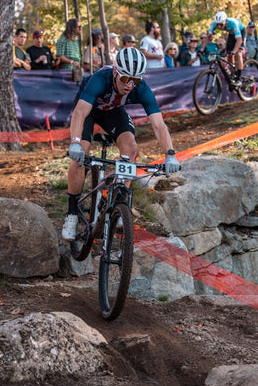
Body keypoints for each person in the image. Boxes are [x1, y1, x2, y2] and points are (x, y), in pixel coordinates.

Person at [61, 47, 180, 241]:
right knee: (81, 151)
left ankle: (119, 202)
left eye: (136, 80)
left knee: (131, 147)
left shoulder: (140, 88)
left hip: (113, 112)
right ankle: (72, 213)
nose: (130, 85)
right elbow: (80, 113)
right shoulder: (101, 79)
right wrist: (74, 142)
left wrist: (170, 154)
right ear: (116, 72)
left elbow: (158, 125)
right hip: (88, 110)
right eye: (125, 79)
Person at [202, 11, 245, 87]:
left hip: (241, 32)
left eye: (221, 25)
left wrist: (234, 51)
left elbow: (239, 40)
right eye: (217, 24)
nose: (219, 27)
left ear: (225, 21)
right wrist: (202, 49)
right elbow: (208, 37)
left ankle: (239, 79)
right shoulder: (214, 24)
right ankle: (233, 74)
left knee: (238, 53)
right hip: (232, 34)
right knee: (229, 56)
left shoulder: (232, 23)